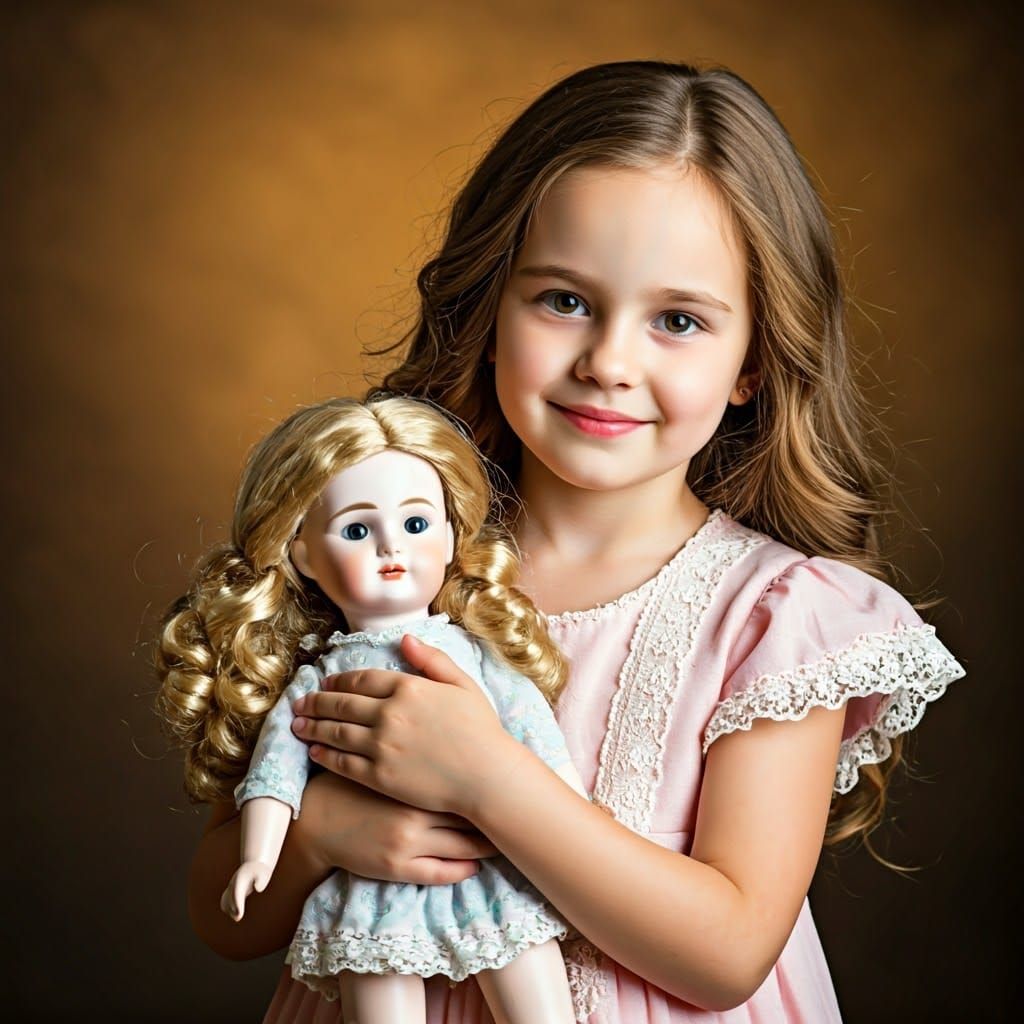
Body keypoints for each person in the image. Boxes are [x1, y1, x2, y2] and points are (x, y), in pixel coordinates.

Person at [180, 60, 966, 1022]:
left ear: (753, 364)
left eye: (677, 320)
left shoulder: (777, 617)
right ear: (490, 306)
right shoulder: (381, 557)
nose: (608, 364)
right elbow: (226, 918)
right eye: (563, 301)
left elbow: (728, 954)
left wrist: (488, 779)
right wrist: (318, 840)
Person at [158, 397, 583, 1022]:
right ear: (302, 556)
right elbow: (277, 773)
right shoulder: (317, 679)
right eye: (358, 531)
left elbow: (532, 731)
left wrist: (566, 822)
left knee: (533, 989)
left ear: (448, 535)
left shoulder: (477, 653)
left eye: (415, 525)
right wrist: (260, 855)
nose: (392, 547)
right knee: (376, 991)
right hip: (374, 889)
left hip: (487, 874)